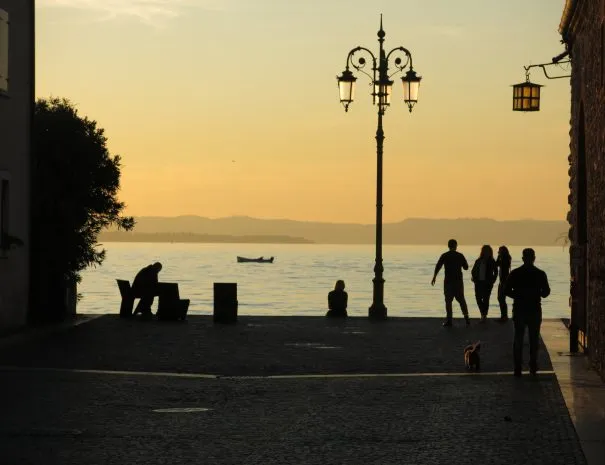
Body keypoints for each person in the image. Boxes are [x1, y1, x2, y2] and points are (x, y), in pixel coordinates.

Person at [504, 248, 550, 377]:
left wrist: (518, 295)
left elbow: (506, 290)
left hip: (519, 309)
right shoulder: (540, 274)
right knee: (534, 339)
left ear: (523, 258)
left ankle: (517, 367)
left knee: (518, 338)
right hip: (534, 309)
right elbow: (546, 292)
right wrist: (537, 293)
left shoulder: (515, 273)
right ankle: (533, 366)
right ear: (534, 258)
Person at [431, 239, 470, 327]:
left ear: (448, 246)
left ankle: (449, 320)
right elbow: (466, 267)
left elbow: (438, 266)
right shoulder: (460, 255)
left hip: (448, 282)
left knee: (448, 301)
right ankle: (467, 319)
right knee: (461, 300)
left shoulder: (445, 255)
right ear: (456, 246)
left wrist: (434, 276)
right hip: (458, 282)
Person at [471, 245, 498, 323]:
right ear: (482, 252)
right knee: (478, 298)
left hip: (488, 283)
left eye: (487, 251)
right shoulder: (478, 260)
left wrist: (493, 280)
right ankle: (483, 313)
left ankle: (484, 315)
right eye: (485, 251)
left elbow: (496, 271)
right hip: (478, 282)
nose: (486, 252)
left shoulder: (492, 261)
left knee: (486, 298)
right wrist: (474, 277)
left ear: (490, 252)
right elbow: (473, 270)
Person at [495, 245, 512, 322]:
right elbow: (497, 264)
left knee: (501, 298)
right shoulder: (505, 258)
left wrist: (499, 257)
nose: (499, 252)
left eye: (500, 251)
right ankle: (504, 316)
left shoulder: (505, 259)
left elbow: (497, 264)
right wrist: (499, 257)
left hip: (504, 281)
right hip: (502, 281)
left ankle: (504, 316)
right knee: (500, 298)